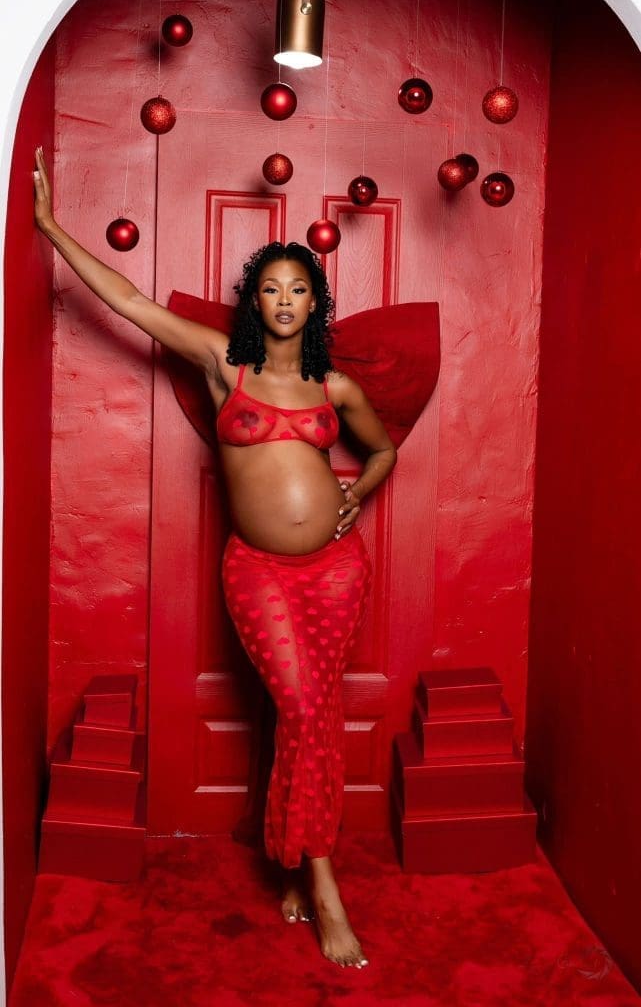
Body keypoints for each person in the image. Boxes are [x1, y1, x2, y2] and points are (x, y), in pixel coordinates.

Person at [33, 146, 397, 969]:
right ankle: (325, 885)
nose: (283, 301)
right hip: (259, 571)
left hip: (338, 570)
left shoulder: (333, 388)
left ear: (314, 303)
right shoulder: (219, 363)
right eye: (269, 287)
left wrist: (360, 489)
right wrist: (51, 228)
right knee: (303, 710)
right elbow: (127, 300)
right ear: (252, 302)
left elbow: (382, 453)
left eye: (297, 289)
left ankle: (297, 866)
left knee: (314, 717)